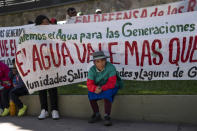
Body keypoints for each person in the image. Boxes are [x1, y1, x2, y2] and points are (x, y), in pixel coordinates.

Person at [87, 51, 123, 126]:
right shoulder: (92, 70)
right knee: (90, 94)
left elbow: (112, 83)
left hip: (111, 86)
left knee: (108, 94)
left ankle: (107, 116)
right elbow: (89, 84)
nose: (101, 63)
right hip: (98, 87)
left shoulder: (111, 67)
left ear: (106, 60)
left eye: (103, 60)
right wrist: (94, 89)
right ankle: (96, 114)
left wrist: (101, 88)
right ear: (94, 63)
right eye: (98, 61)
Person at [35, 15, 60, 120]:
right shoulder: (34, 35)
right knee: (41, 87)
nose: (47, 24)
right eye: (45, 22)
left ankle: (54, 110)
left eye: (48, 22)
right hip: (40, 65)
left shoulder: (53, 33)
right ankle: (44, 110)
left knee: (52, 87)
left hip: (51, 64)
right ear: (39, 23)